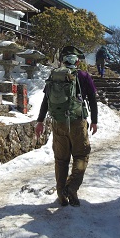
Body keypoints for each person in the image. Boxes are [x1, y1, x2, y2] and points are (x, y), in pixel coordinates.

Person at [35, 46, 98, 207]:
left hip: (58, 122)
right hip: (77, 122)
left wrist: (40, 121)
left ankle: (61, 193)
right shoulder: (83, 75)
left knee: (61, 159)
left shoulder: (54, 76)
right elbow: (92, 99)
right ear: (77, 61)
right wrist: (95, 121)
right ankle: (72, 188)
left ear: (63, 61)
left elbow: (45, 100)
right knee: (81, 155)